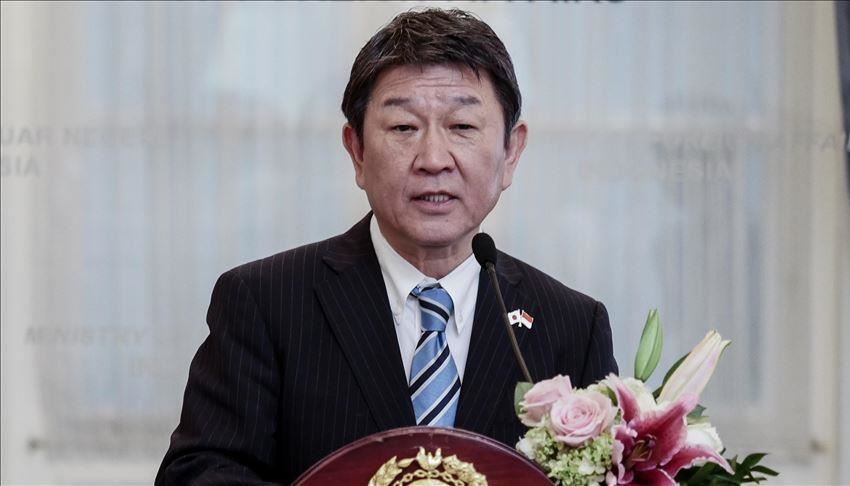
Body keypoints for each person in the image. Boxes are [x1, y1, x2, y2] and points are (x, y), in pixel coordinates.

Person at [156, 8, 617, 484]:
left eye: (462, 126)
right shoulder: (265, 302)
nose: (433, 159)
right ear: (357, 150)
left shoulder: (572, 327)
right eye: (403, 128)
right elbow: (198, 474)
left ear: (510, 151)